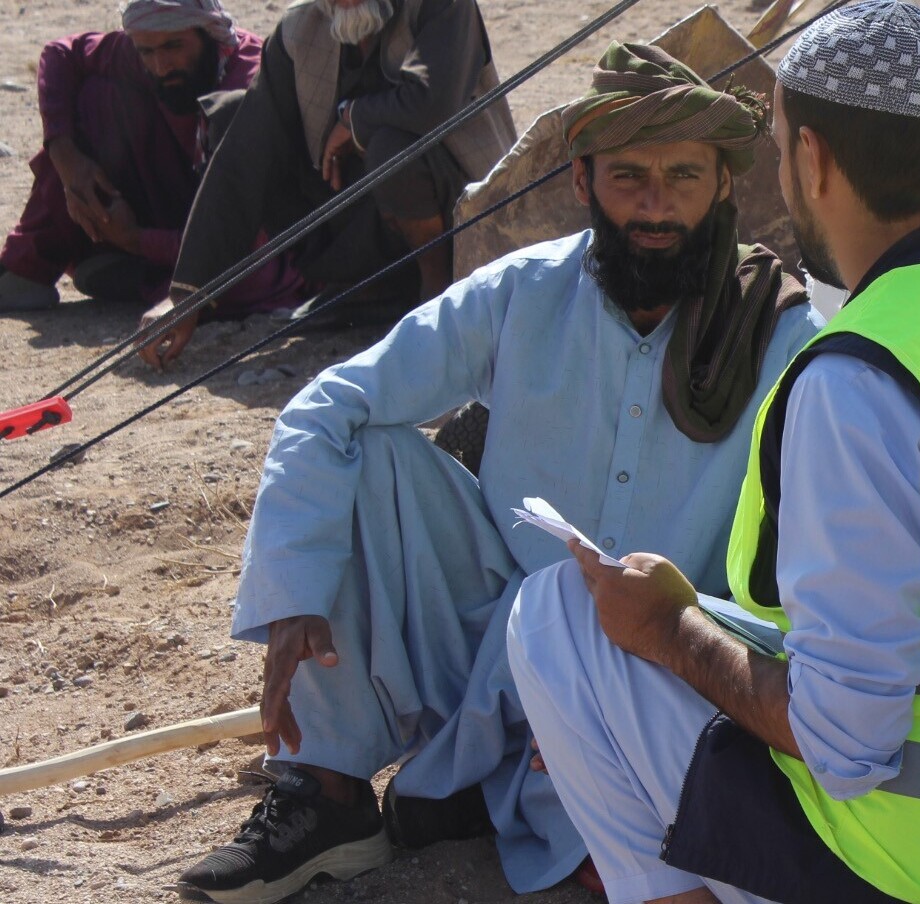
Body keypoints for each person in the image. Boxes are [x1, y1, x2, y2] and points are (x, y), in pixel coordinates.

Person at [507, 3, 920, 903]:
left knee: (560, 613)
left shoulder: (860, 378)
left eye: (781, 148)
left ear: (813, 159)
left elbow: (847, 746)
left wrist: (669, 630)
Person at [174, 43, 817, 904]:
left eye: (683, 176)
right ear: (583, 182)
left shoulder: (782, 337)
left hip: (655, 671)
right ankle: (322, 793)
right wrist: (294, 587)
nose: (656, 205)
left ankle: (482, 789)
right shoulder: (523, 292)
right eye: (629, 177)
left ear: (725, 186)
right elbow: (326, 407)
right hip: (487, 638)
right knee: (366, 454)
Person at [137, 0, 518, 370]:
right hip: (359, 228)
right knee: (236, 115)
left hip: (461, 212)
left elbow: (431, 102)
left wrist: (354, 118)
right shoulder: (299, 29)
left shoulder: (443, 6)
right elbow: (243, 156)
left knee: (391, 146)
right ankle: (369, 289)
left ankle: (438, 291)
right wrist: (187, 295)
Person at [0, 0, 307, 315]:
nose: (161, 66)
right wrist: (67, 160)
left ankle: (146, 278)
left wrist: (136, 240)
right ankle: (26, 270)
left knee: (242, 278)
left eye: (174, 47)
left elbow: (239, 235)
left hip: (249, 235)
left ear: (209, 36)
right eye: (147, 52)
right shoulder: (144, 51)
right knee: (92, 99)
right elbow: (61, 54)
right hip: (177, 210)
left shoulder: (248, 85)